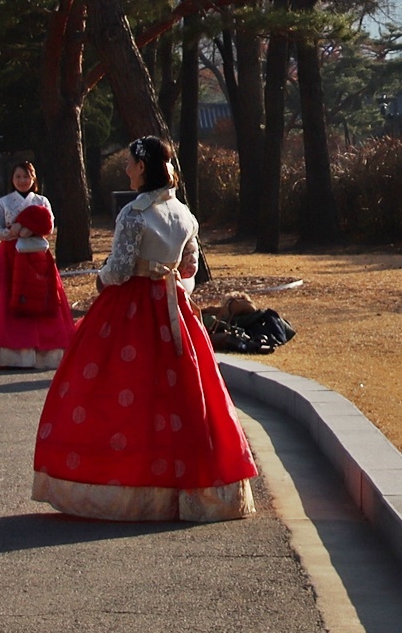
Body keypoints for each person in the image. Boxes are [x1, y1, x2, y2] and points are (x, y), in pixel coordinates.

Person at [31, 137, 253, 522]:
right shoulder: (183, 213)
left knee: (119, 386)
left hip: (130, 308)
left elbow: (120, 268)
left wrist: (101, 279)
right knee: (184, 392)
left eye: (131, 163)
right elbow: (189, 268)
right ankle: (190, 487)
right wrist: (172, 286)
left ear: (143, 167)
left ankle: (126, 485)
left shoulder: (134, 214)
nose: (126, 169)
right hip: (172, 306)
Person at [0, 156, 76, 368]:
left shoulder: (41, 201)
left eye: (26, 176)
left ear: (33, 178)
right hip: (10, 256)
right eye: (18, 176)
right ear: (12, 179)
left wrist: (30, 229)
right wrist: (14, 232)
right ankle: (13, 351)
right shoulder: (4, 202)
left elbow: (49, 227)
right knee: (8, 299)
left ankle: (42, 351)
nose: (22, 180)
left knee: (41, 296)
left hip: (37, 254)